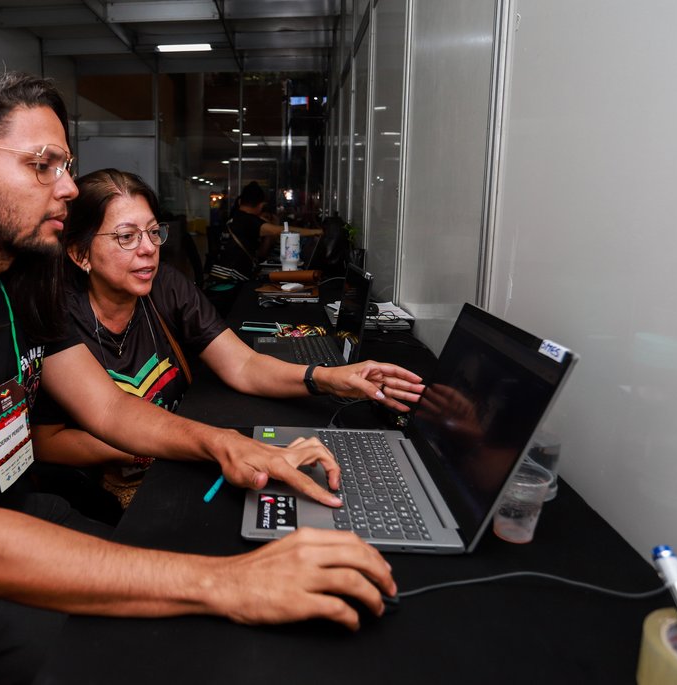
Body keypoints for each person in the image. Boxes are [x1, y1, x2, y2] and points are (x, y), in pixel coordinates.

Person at [0, 70, 397, 684]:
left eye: (66, 166)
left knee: (213, 583)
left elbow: (111, 410)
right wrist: (224, 585)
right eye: (43, 165)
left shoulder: (15, 287)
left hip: (20, 516)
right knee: (190, 635)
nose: (68, 188)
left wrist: (228, 443)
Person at [30, 169, 425, 509]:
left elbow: (242, 363)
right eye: (127, 237)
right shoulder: (56, 315)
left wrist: (327, 378)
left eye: (153, 232)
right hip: (111, 489)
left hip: (176, 461)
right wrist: (160, 441)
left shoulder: (165, 286)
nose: (149, 249)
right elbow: (49, 442)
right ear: (81, 254)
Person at [208, 180, 322, 282]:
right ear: (261, 205)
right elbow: (283, 230)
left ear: (240, 201)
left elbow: (261, 252)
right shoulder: (248, 220)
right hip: (231, 278)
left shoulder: (236, 217)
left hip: (220, 274)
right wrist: (315, 232)